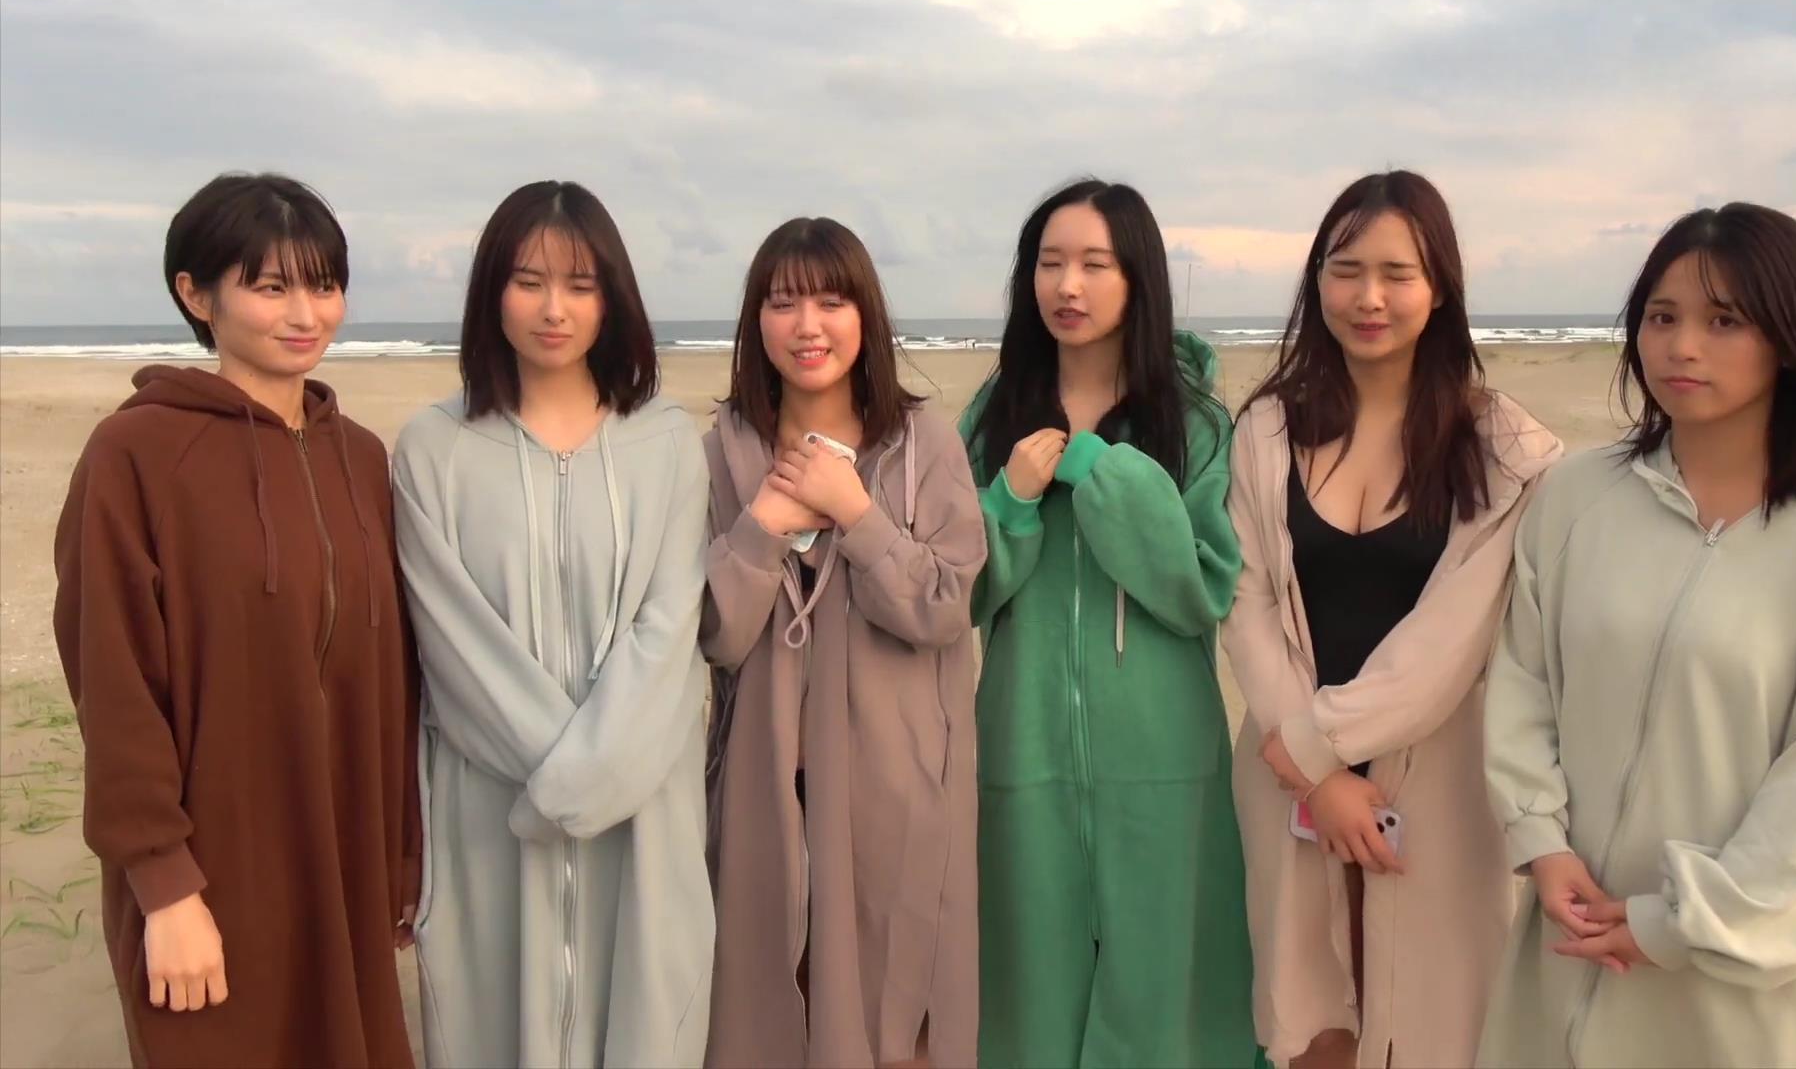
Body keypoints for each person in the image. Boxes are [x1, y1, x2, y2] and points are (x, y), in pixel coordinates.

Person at [1477, 202, 1796, 1068]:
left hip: (1762, 997)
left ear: (1792, 337)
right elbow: (1524, 681)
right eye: (1661, 317)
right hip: (1570, 958)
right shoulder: (1576, 499)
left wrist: (1680, 923)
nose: (1681, 347)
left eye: (1724, 321)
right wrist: (1541, 842)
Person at [53, 171, 419, 1066]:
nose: (305, 314)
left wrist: (402, 855)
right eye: (270, 287)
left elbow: (396, 678)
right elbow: (112, 678)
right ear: (195, 294)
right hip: (212, 865)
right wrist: (164, 886)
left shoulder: (362, 458)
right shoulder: (136, 453)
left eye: (323, 286)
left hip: (346, 856)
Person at [1222, 169, 1562, 1069]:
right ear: (1317, 281)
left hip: (1436, 782)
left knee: (1433, 1023)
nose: (1368, 297)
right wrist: (1312, 775)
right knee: (1310, 1020)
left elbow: (1448, 645)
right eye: (1346, 270)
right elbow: (1245, 602)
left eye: (1397, 274)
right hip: (1285, 781)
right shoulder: (1266, 429)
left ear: (1439, 286)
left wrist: (1318, 749)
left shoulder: (1505, 449)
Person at [393, 181, 713, 1068]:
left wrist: (594, 781)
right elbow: (455, 651)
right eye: (529, 281)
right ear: (492, 291)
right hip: (493, 814)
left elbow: (668, 632)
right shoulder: (432, 448)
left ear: (613, 299)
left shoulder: (668, 442)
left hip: (644, 809)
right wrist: (565, 788)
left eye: (580, 284)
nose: (553, 309)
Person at [961, 178, 1254, 1067]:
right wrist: (1009, 500)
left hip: (1164, 756)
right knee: (1027, 990)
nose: (1068, 286)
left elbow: (1202, 587)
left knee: (1168, 991)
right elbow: (961, 593)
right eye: (1050, 263)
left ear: (1138, 279)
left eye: (1095, 264)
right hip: (1023, 748)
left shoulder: (1195, 423)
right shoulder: (993, 415)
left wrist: (1103, 471)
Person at [702, 216, 985, 1068]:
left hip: (895, 781)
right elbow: (716, 634)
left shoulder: (922, 443)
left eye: (831, 301)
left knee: (894, 1011)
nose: (808, 325)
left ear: (866, 313)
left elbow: (944, 606)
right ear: (756, 320)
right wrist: (764, 525)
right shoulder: (724, 450)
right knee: (766, 1005)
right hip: (765, 781)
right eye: (783, 302)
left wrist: (855, 512)